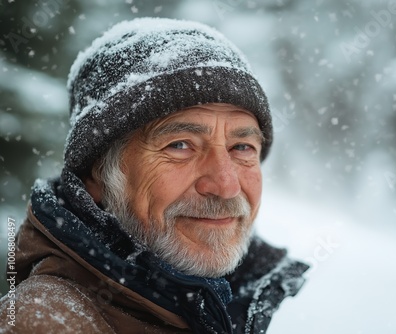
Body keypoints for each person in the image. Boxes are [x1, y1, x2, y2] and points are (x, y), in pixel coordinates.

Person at [0, 17, 308, 333]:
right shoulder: (47, 321)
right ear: (97, 176)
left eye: (242, 147)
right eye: (179, 145)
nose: (226, 186)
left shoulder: (220, 302)